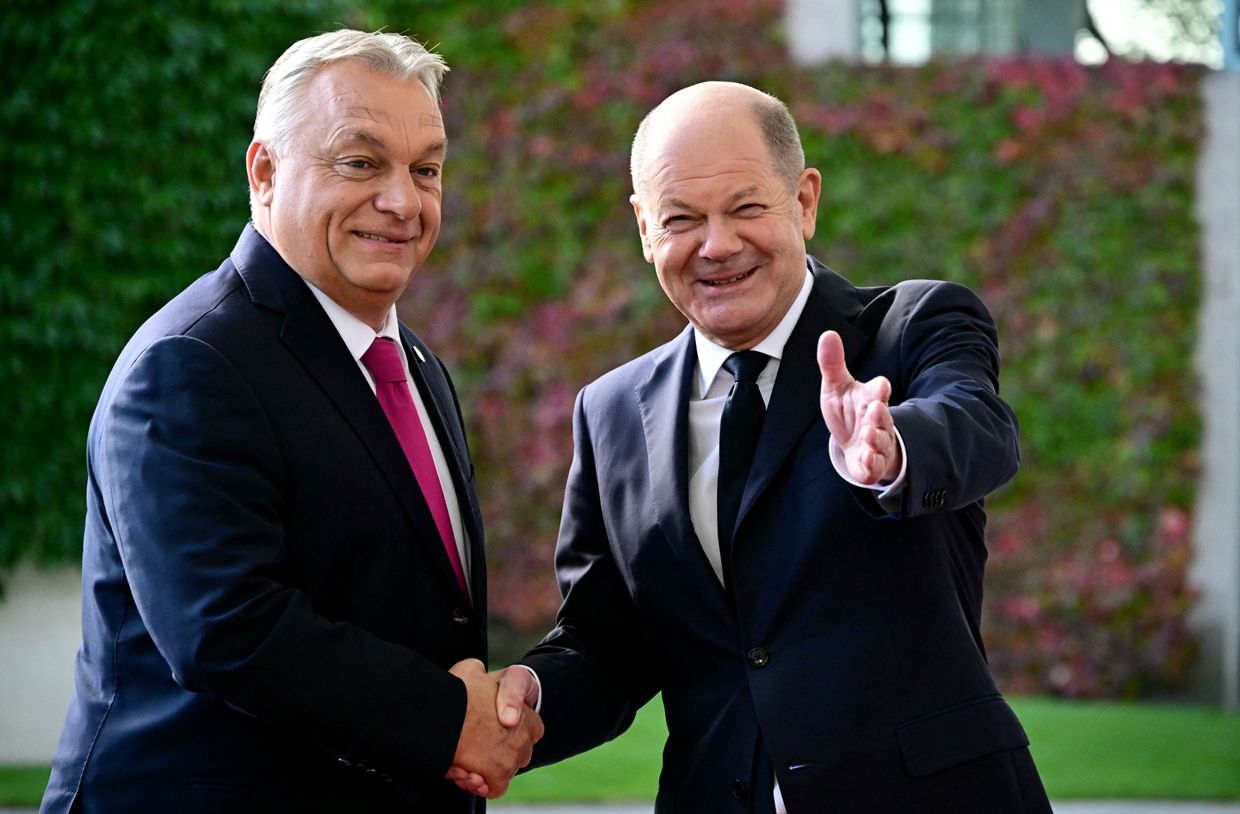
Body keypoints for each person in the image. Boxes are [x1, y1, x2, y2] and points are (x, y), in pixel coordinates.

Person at [460, 81, 1052, 812]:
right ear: (645, 228)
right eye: (682, 219)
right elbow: (608, 643)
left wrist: (893, 451)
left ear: (803, 201)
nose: (717, 245)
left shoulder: (911, 327)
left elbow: (980, 428)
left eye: (745, 208)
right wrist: (531, 696)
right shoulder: (610, 412)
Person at [40, 29, 541, 814]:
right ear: (264, 171)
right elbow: (227, 628)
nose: (403, 200)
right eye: (361, 162)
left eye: (426, 169)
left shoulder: (414, 367)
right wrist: (449, 722)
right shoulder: (191, 362)